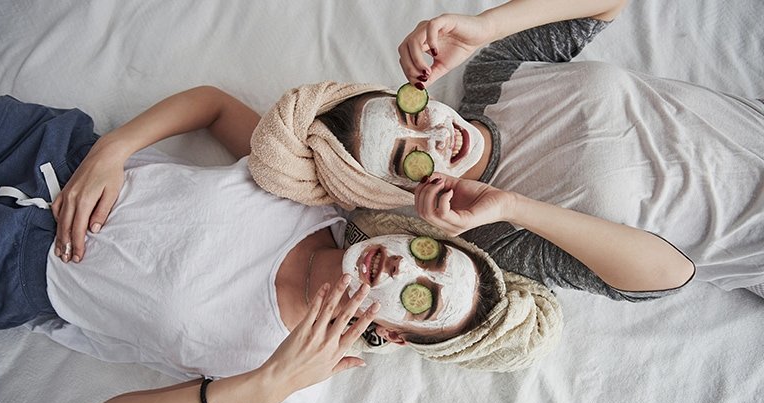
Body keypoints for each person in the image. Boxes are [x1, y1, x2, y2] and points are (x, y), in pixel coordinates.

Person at [0, 92, 561, 403]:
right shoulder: (311, 194)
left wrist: (265, 385)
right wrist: (114, 148)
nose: (402, 267)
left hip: (19, 273)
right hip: (51, 149)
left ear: (392, 335)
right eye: (428, 253)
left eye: (421, 298)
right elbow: (213, 105)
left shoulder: (288, 388)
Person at [247, 0, 764, 298]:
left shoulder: (495, 75)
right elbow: (670, 276)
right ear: (397, 192)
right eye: (408, 157)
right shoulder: (493, 234)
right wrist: (516, 206)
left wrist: (488, 27)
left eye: (408, 114)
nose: (435, 136)